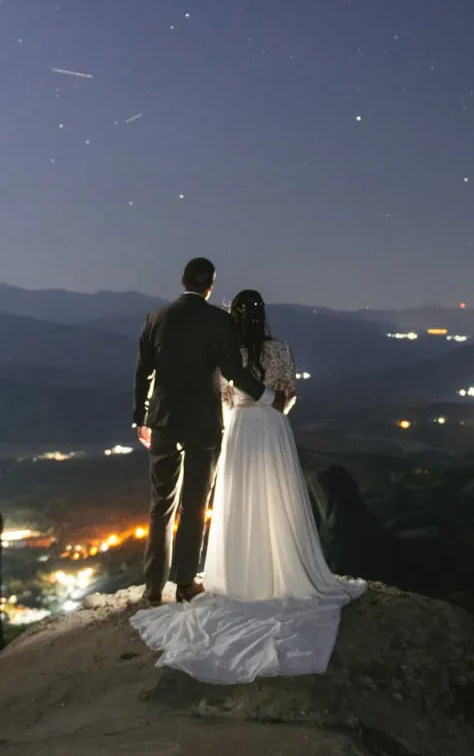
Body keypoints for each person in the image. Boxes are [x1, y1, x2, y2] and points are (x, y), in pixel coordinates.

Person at [130, 285, 365, 683]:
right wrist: (271, 406)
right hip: (271, 428)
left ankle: (235, 575)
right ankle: (280, 570)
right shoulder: (281, 349)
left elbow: (223, 395)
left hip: (239, 428)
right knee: (276, 498)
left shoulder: (226, 352)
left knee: (236, 500)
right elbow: (287, 397)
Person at [132, 257, 288, 605]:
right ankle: (185, 584)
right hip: (203, 422)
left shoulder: (156, 317)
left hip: (163, 420)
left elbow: (143, 371)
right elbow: (233, 371)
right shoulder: (218, 320)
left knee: (161, 505)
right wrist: (268, 397)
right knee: (195, 504)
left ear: (182, 280)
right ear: (210, 287)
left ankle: (153, 589)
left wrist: (140, 417)